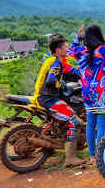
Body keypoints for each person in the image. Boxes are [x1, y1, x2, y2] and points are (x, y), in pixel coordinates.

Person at [69, 24, 105, 162]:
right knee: (102, 125)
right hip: (102, 93)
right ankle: (101, 156)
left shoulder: (81, 51)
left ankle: (93, 155)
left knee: (91, 124)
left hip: (87, 93)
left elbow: (70, 50)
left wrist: (78, 37)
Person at [34, 34, 86, 167]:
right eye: (66, 48)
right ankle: (70, 157)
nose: (68, 50)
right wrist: (62, 85)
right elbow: (52, 81)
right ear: (58, 50)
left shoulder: (52, 59)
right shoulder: (57, 62)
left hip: (44, 96)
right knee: (75, 121)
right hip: (48, 99)